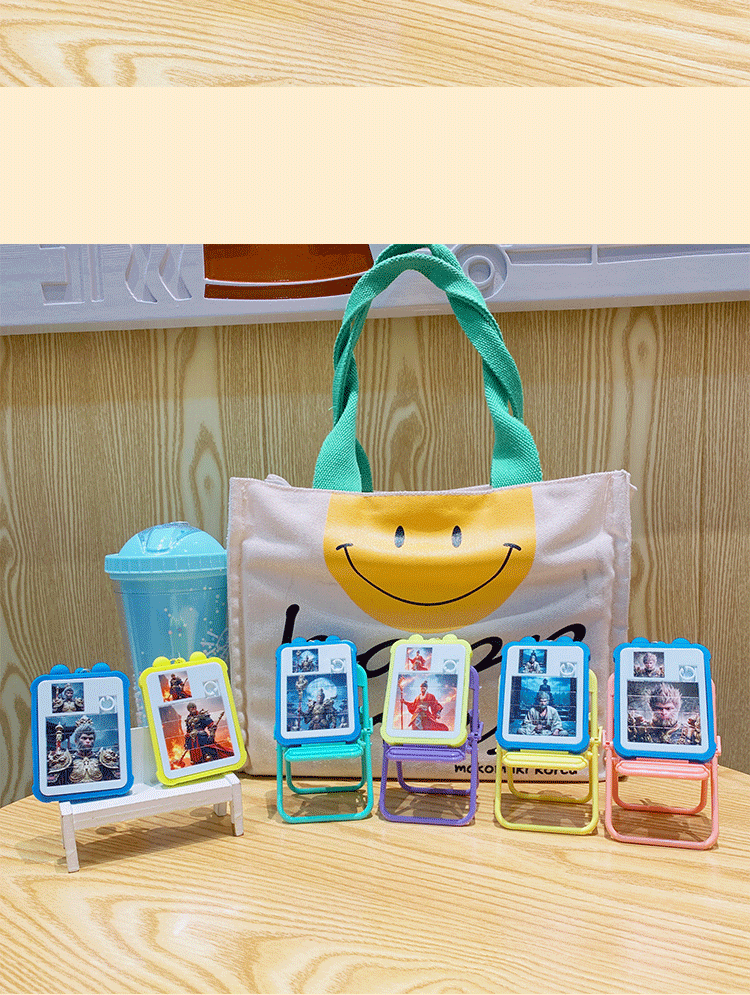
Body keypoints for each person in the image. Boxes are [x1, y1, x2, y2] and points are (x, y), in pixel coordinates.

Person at [47, 716, 120, 785]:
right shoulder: (66, 760)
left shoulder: (102, 759)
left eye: (91, 739)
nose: (88, 741)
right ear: (76, 741)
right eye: (84, 738)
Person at [628, 683, 701, 745]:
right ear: (652, 708)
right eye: (659, 708)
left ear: (677, 709)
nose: (664, 713)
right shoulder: (639, 729)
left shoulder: (689, 731)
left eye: (668, 709)